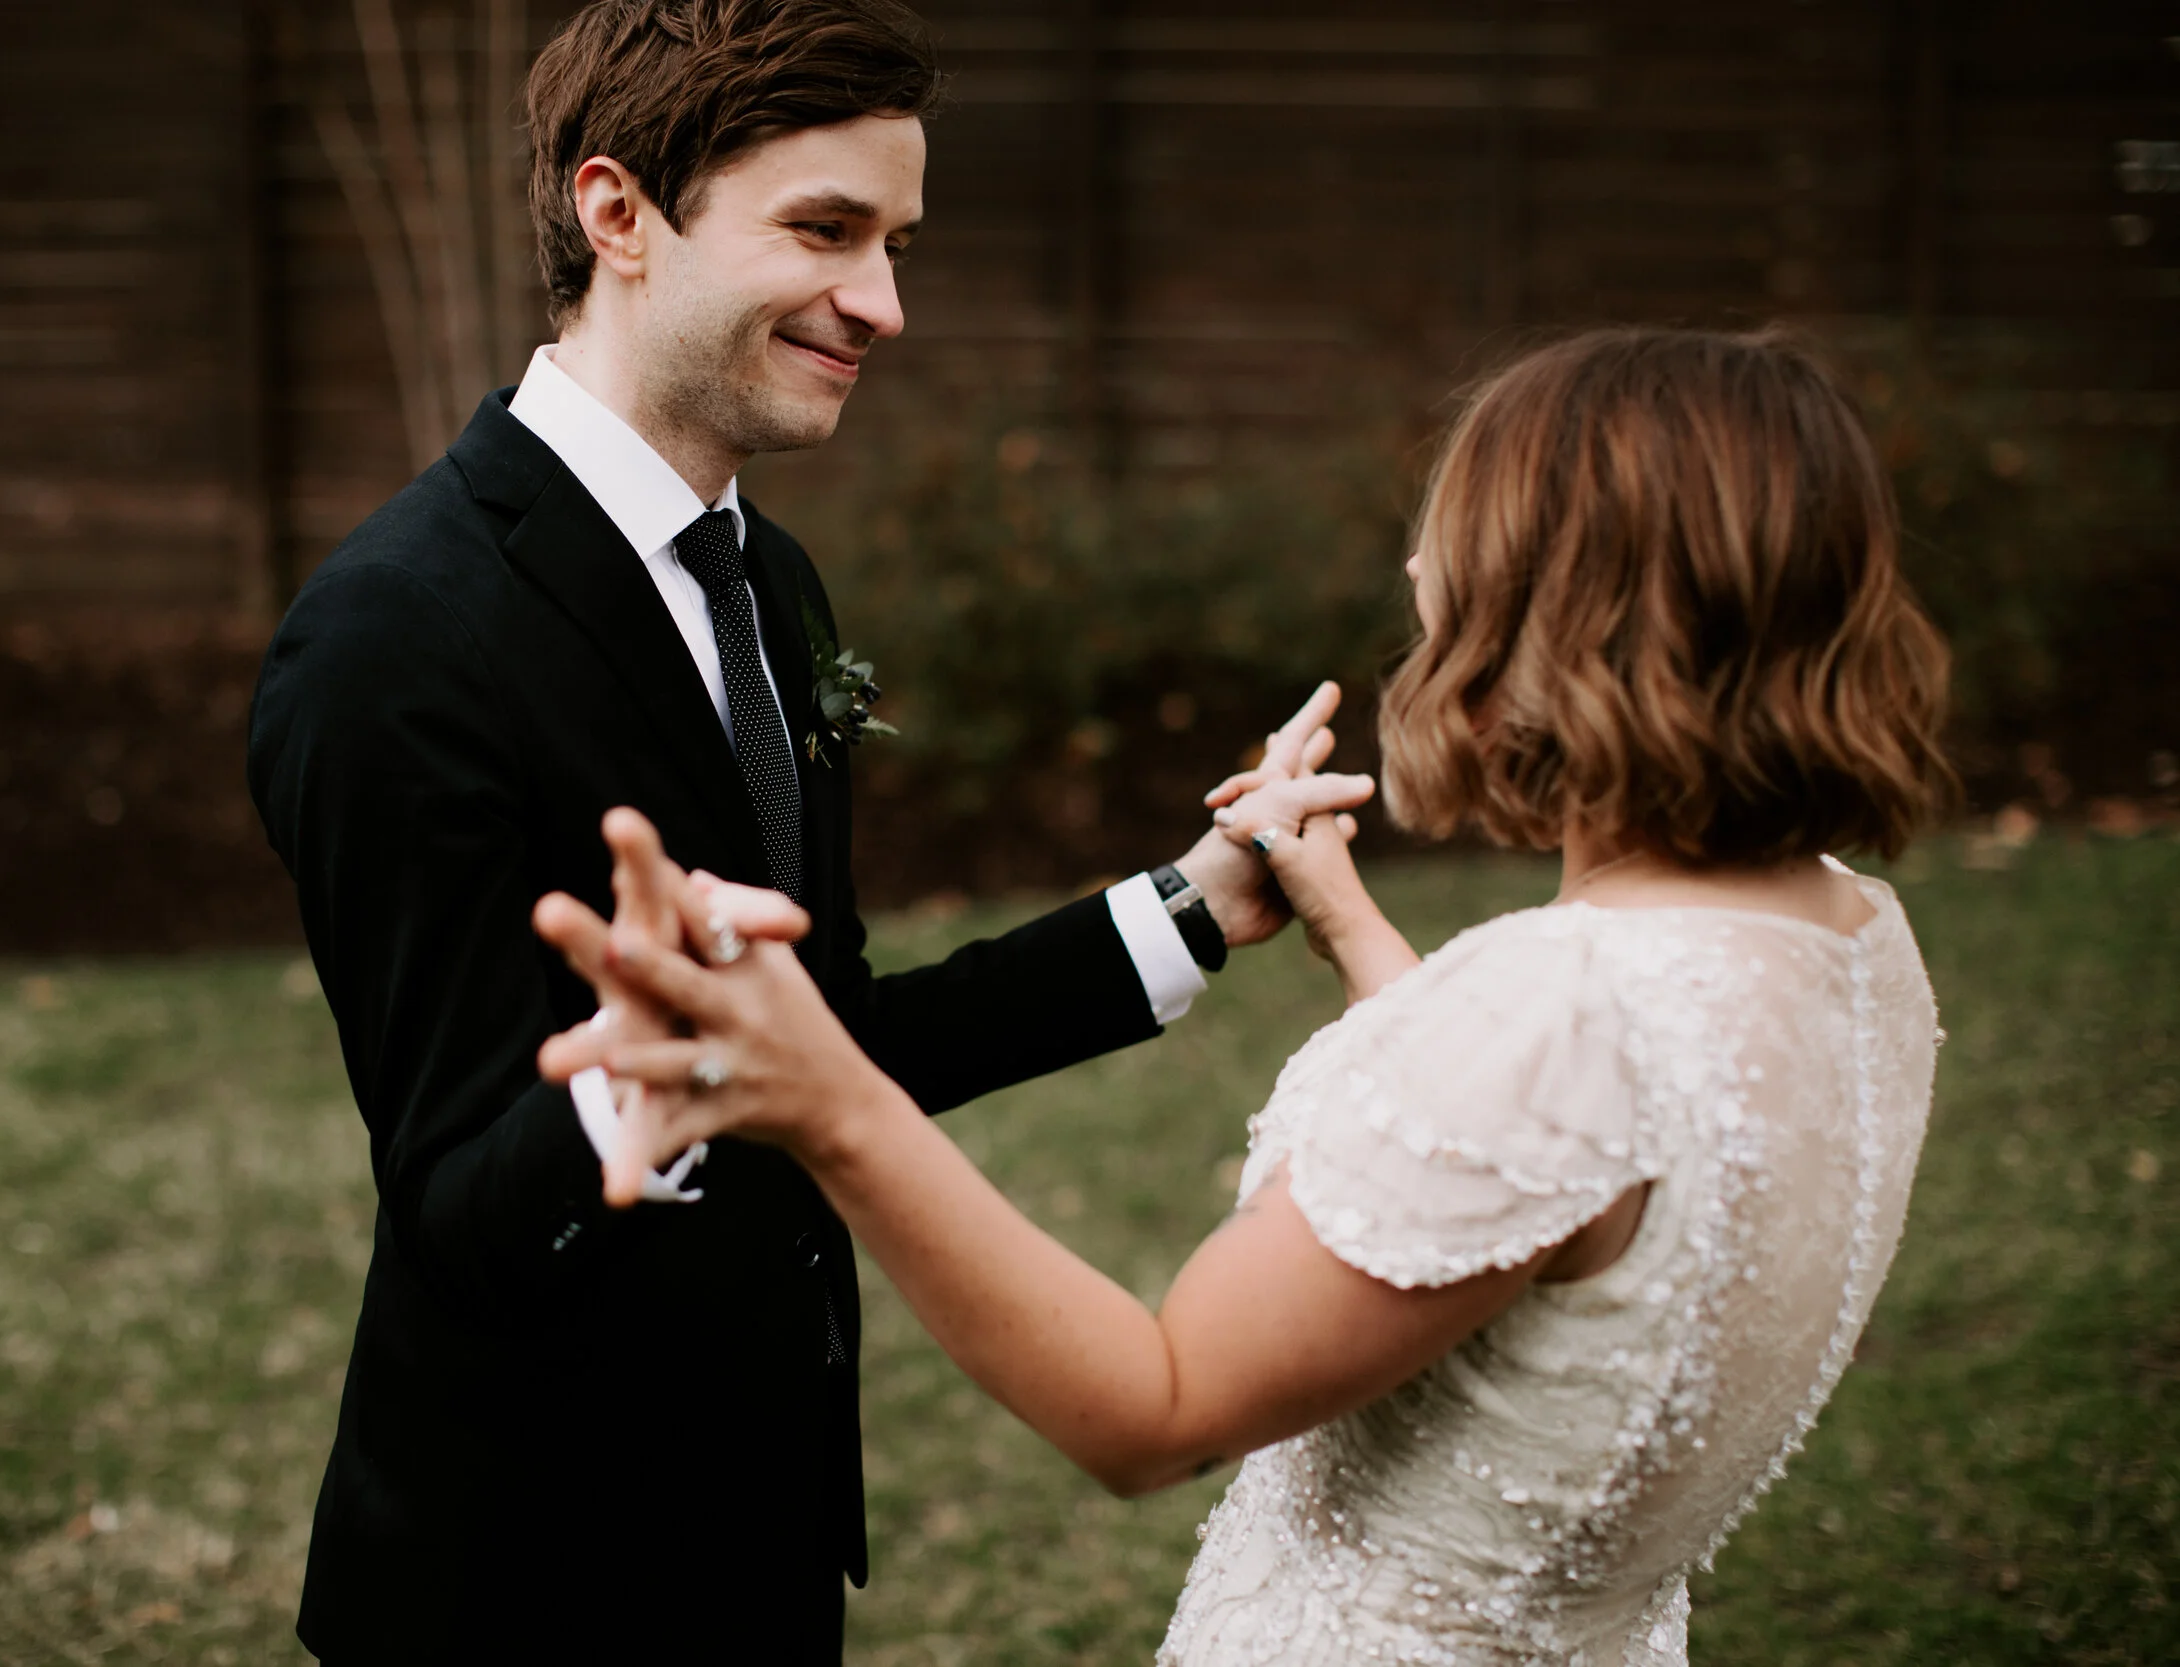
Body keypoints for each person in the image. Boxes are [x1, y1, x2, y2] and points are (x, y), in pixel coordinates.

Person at [535, 325, 1958, 1663]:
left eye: (1459, 548)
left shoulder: (1560, 1018)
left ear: (1567, 619)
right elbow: (1555, 1185)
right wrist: (1345, 926)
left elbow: (1153, 1406)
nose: (1420, 578)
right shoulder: (1852, 940)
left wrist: (832, 1104)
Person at [244, 0, 1367, 1657]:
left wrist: (1190, 903)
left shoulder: (767, 581)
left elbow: (830, 1039)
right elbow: (465, 1220)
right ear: (617, 212)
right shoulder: (391, 638)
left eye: (898, 242)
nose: (885, 304)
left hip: (763, 1534)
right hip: (521, 1582)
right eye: (826, 232)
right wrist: (650, 1071)